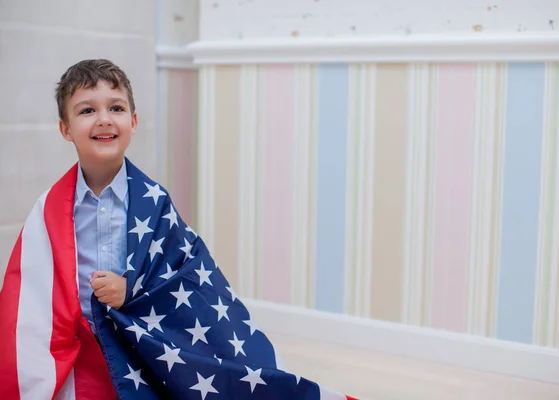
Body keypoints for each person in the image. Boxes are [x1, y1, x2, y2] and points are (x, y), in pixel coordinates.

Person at [0, 59, 355, 400]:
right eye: (87, 110)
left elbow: (188, 274)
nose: (104, 120)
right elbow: (31, 291)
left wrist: (132, 289)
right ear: (65, 128)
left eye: (116, 108)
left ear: (134, 121)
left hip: (141, 345)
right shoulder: (49, 210)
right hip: (85, 351)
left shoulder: (153, 202)